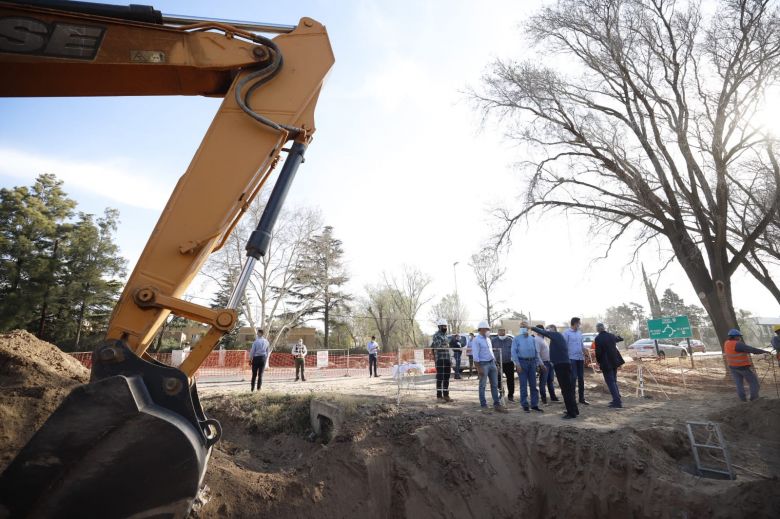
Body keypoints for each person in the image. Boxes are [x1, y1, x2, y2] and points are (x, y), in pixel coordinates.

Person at [533, 324, 579, 419]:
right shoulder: (556, 338)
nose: (547, 331)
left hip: (562, 366)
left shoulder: (556, 335)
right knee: (568, 389)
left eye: (548, 329)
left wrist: (531, 327)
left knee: (566, 390)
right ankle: (574, 410)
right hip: (562, 365)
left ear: (553, 330)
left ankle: (571, 413)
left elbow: (543, 332)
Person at [724, 329, 770, 401]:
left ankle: (743, 399)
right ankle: (754, 398)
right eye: (739, 336)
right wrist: (764, 351)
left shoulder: (727, 343)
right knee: (753, 382)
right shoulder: (738, 344)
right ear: (735, 336)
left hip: (733, 367)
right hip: (742, 367)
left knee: (739, 384)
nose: (740, 338)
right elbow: (751, 349)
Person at [472, 321, 508, 413]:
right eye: (487, 329)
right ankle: (483, 405)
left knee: (495, 385)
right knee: (482, 385)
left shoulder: (488, 339)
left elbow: (490, 352)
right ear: (482, 329)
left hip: (492, 363)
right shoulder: (476, 340)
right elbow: (475, 356)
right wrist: (478, 368)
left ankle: (497, 404)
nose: (489, 330)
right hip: (483, 364)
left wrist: (495, 362)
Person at [511, 324, 543, 413]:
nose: (524, 328)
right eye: (521, 327)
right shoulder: (516, 339)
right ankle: (525, 405)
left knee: (533, 385)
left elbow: (536, 352)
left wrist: (537, 364)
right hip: (522, 363)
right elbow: (513, 353)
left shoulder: (532, 339)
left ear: (529, 328)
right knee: (523, 385)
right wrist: (517, 365)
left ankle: (534, 405)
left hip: (532, 363)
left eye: (525, 327)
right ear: (520, 328)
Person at [593, 323, 625, 408]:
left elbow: (598, 352)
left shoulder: (598, 338)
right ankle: (616, 398)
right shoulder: (611, 335)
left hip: (606, 363)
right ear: (604, 328)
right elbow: (620, 339)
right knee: (613, 381)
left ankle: (617, 402)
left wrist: (598, 362)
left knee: (610, 382)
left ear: (597, 329)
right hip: (614, 361)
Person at [563, 317, 589, 405]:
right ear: (574, 323)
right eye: (579, 323)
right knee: (573, 378)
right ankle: (572, 399)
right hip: (571, 358)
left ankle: (582, 398)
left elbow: (581, 345)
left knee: (581, 379)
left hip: (580, 358)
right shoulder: (566, 333)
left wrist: (585, 351)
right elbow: (564, 347)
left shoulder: (579, 333)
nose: (579, 325)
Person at [533, 324, 558, 404]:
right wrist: (541, 364)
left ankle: (553, 397)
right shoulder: (537, 339)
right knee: (543, 382)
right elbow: (537, 353)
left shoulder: (544, 339)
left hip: (549, 363)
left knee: (550, 381)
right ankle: (544, 399)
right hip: (544, 363)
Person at [431, 319, 452, 402]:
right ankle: (439, 396)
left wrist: (445, 345)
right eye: (443, 326)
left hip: (447, 358)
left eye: (446, 326)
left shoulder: (446, 336)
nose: (445, 327)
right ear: (439, 327)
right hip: (440, 359)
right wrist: (445, 345)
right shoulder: (436, 335)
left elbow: (447, 347)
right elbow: (438, 346)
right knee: (440, 378)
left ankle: (446, 395)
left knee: (447, 377)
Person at [492, 327, 515, 401]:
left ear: (505, 331)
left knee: (510, 380)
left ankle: (510, 396)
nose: (501, 332)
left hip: (509, 363)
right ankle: (501, 393)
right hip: (498, 363)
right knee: (498, 379)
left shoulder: (510, 340)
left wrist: (513, 359)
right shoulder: (494, 341)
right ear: (497, 332)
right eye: (500, 330)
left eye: (503, 330)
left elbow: (514, 351)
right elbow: (491, 351)